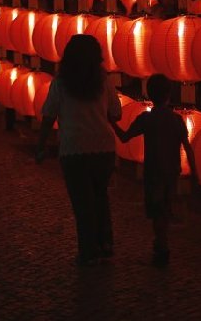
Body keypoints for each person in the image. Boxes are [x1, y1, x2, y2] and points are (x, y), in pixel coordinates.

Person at [35, 34, 122, 267]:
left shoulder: (61, 82)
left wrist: (41, 144)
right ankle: (105, 244)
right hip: (103, 147)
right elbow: (117, 112)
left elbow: (49, 115)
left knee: (83, 203)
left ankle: (88, 250)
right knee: (100, 196)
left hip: (74, 149)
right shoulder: (103, 80)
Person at [109, 73, 198, 267]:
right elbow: (187, 147)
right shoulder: (176, 120)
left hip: (153, 170)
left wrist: (111, 122)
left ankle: (161, 245)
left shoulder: (146, 119)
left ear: (150, 94)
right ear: (169, 94)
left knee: (157, 209)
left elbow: (124, 137)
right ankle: (162, 244)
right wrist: (195, 171)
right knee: (165, 207)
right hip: (171, 170)